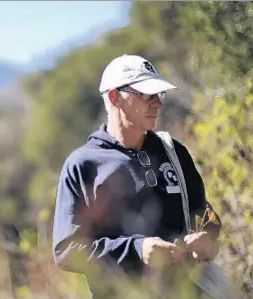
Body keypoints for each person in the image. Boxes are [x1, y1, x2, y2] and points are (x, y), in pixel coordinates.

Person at [52, 54, 222, 298]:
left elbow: (206, 216)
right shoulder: (83, 165)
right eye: (146, 94)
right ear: (114, 97)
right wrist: (137, 249)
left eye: (158, 94)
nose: (157, 103)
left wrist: (207, 238)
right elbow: (67, 251)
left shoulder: (174, 153)